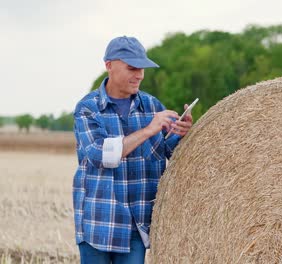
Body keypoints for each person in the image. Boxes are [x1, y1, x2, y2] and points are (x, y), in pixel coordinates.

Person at [72, 36, 193, 263]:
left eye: (142, 69)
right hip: (99, 223)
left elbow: (169, 152)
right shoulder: (88, 109)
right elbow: (101, 155)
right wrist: (149, 129)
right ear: (109, 65)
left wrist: (181, 133)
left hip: (137, 226)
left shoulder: (152, 106)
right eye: (132, 68)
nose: (139, 75)